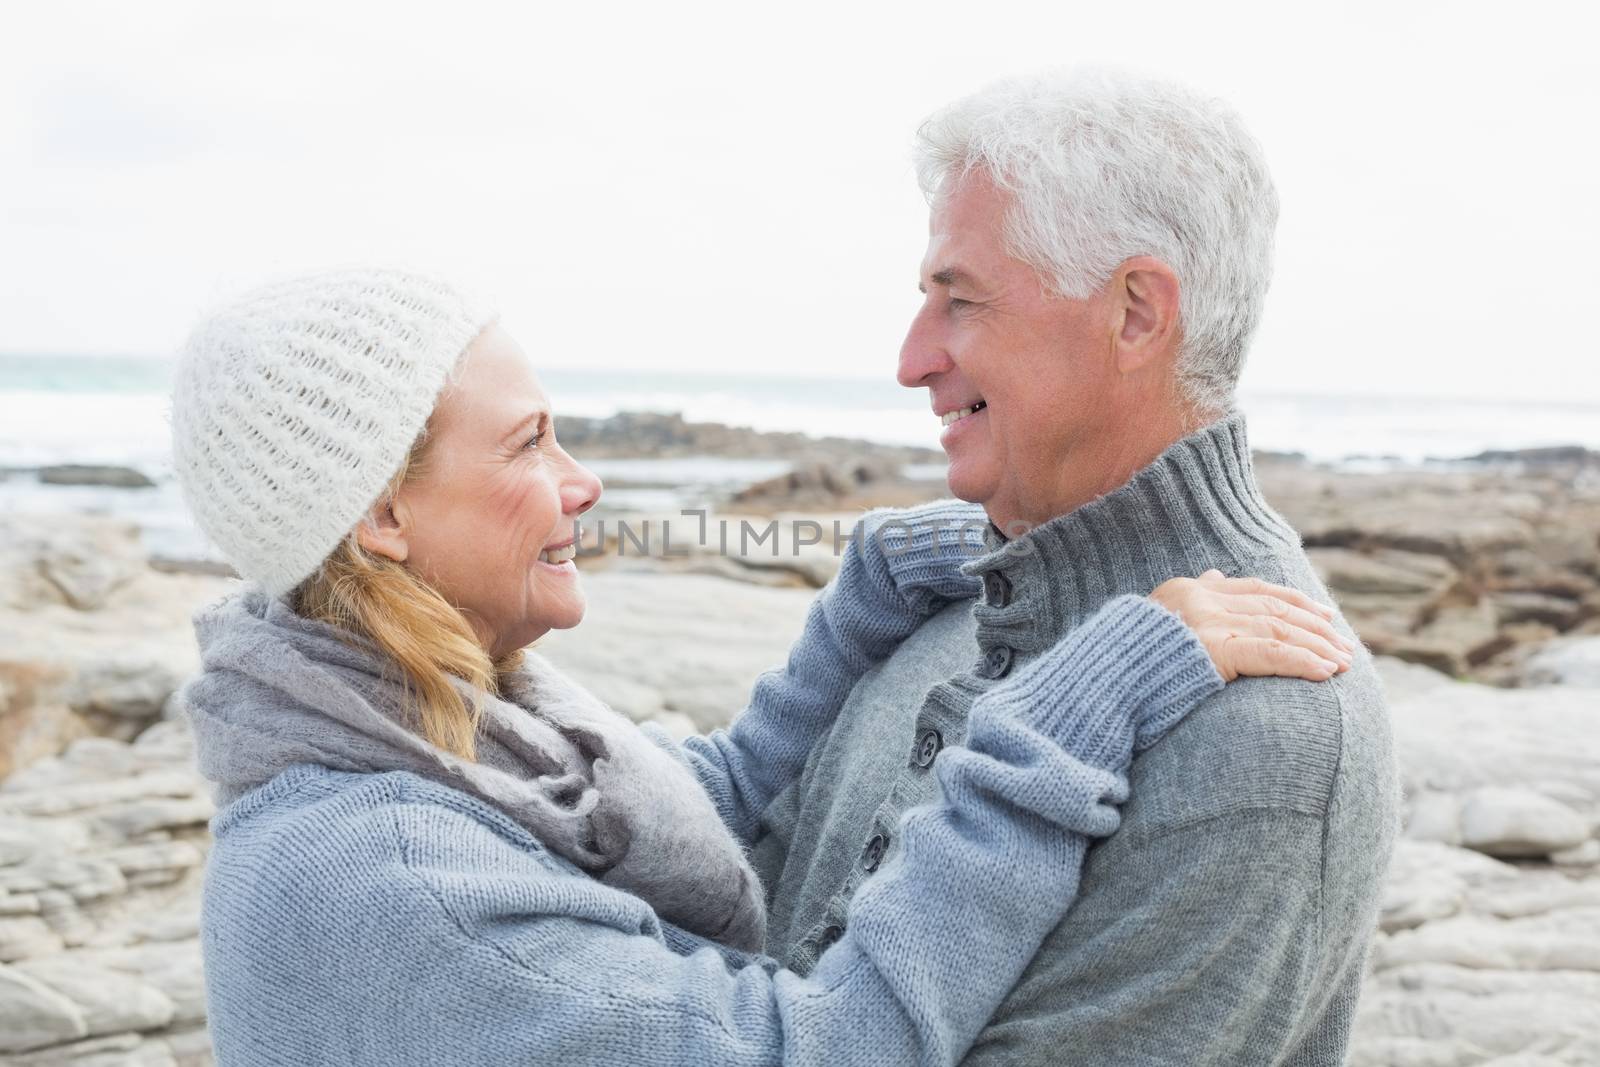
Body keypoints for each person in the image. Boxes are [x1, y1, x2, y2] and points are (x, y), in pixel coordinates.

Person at [170, 268, 1354, 1065]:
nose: (583, 482)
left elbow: (693, 813)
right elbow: (827, 1044)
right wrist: (1061, 721)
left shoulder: (445, 724)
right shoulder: (389, 880)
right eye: (530, 441)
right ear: (381, 515)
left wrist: (857, 610)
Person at [747, 69, 1401, 1065]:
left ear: (1137, 311)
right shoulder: (943, 605)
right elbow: (735, 915)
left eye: (957, 300)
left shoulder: (1268, 732)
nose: (912, 358)